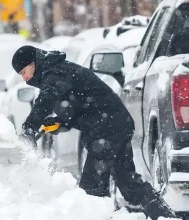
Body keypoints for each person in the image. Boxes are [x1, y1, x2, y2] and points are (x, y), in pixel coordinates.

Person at [11, 45, 176, 220]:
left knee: (92, 190)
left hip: (106, 130)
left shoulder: (54, 72)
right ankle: (167, 217)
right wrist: (59, 122)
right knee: (128, 185)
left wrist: (29, 128)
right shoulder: (56, 70)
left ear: (33, 63)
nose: (24, 78)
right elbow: (78, 107)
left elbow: (46, 100)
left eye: (24, 72)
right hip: (115, 126)